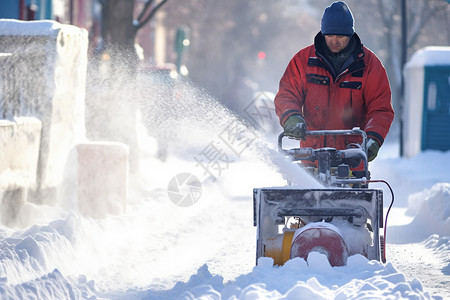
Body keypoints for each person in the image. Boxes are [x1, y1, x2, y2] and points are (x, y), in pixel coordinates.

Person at [274, 1, 394, 163]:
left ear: (350, 35)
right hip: (311, 157)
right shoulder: (304, 60)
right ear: (323, 33)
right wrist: (291, 116)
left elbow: (380, 109)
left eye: (340, 36)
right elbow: (287, 94)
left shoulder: (369, 65)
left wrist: (373, 138)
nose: (334, 41)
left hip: (351, 159)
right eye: (330, 35)